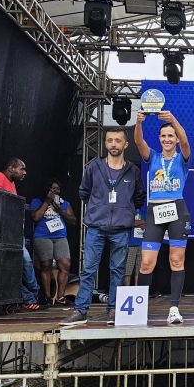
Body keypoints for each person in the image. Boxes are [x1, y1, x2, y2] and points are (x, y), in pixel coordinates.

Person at [62, 128, 145, 325]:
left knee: (118, 270)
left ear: (126, 144)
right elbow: (84, 192)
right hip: (96, 226)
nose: (113, 144)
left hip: (121, 228)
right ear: (105, 143)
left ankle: (114, 310)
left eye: (118, 140)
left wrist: (124, 211)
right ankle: (80, 310)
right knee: (88, 269)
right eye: (110, 140)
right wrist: (98, 208)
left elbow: (139, 197)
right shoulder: (94, 167)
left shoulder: (133, 171)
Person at [134, 110, 191, 325]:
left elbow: (185, 141)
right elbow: (138, 141)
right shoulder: (153, 157)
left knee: (176, 260)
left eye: (170, 136)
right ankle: (139, 308)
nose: (167, 139)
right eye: (164, 136)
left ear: (175, 139)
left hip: (177, 209)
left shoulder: (183, 157)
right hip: (155, 211)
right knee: (146, 263)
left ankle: (174, 309)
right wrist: (138, 123)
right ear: (159, 139)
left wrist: (173, 120)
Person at [0, 158, 41, 311]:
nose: (25, 172)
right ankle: (32, 295)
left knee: (21, 263)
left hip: (13, 231)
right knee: (22, 261)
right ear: (11, 168)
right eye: (21, 169)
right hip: (0, 231)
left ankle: (31, 296)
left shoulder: (12, 183)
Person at [28, 179, 77, 305]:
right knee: (46, 265)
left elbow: (73, 220)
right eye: (53, 188)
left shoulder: (64, 203)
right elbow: (36, 217)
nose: (55, 191)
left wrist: (60, 211)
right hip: (42, 236)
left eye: (57, 189)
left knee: (65, 265)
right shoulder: (37, 201)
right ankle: (48, 297)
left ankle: (60, 297)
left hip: (60, 236)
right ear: (47, 190)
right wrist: (47, 201)